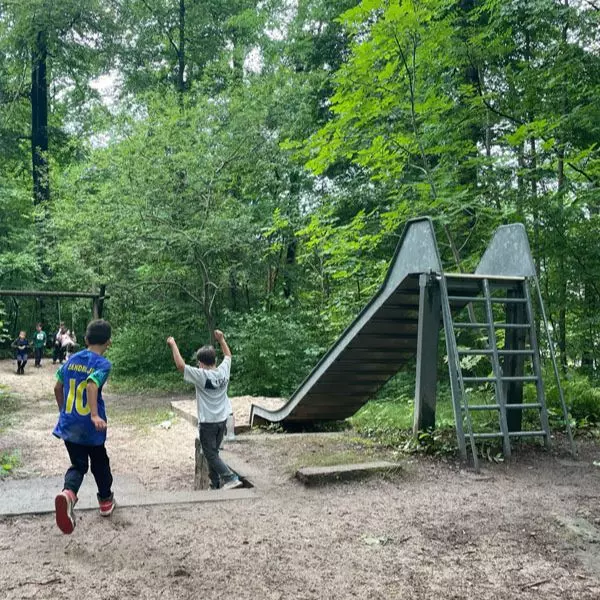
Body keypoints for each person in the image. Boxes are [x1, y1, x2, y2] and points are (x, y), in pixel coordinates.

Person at [53, 319, 115, 535]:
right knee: (99, 462)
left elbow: (58, 386)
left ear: (86, 339)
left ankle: (68, 494)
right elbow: (91, 384)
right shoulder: (102, 364)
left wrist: (63, 412)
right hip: (91, 426)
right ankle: (106, 500)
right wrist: (95, 415)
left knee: (78, 466)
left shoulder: (70, 361)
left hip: (69, 425)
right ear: (108, 342)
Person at [167, 330, 242, 491]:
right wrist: (221, 340)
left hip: (208, 422)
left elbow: (180, 366)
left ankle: (230, 478)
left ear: (201, 363)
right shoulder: (223, 371)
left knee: (210, 454)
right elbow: (228, 356)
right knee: (213, 452)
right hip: (222, 420)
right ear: (214, 360)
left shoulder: (201, 375)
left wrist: (173, 345)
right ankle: (214, 484)